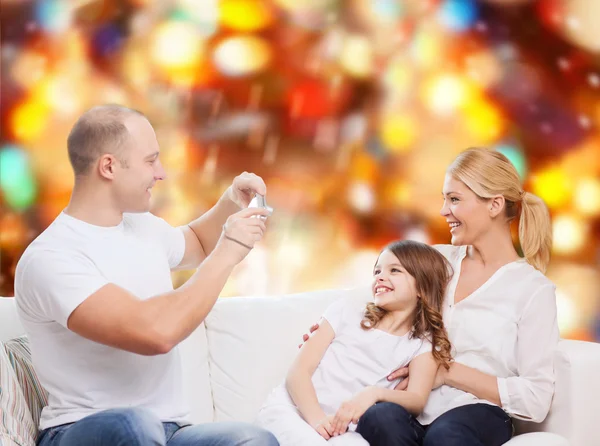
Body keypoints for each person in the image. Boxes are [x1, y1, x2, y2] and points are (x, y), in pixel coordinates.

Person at [14, 105, 279, 446]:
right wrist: (229, 252)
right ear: (109, 166)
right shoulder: (50, 258)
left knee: (252, 440)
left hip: (168, 432)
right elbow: (156, 333)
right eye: (150, 160)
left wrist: (232, 202)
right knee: (133, 426)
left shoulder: (141, 227)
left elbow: (197, 242)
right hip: (83, 430)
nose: (162, 173)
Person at [302, 148, 559, 446]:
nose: (443, 211)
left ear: (495, 205)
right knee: (378, 418)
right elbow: (378, 294)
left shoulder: (533, 290)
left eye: (454, 199)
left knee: (446, 437)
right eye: (444, 199)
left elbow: (537, 399)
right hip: (412, 401)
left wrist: (446, 371)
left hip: (477, 412)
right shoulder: (437, 260)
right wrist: (332, 328)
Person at [256, 240, 453, 446]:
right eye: (377, 271)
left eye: (394, 270)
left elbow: (416, 399)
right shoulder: (347, 311)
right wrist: (317, 421)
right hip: (295, 411)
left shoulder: (422, 344)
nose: (380, 277)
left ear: (422, 287)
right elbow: (298, 373)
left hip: (342, 431)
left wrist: (375, 393)